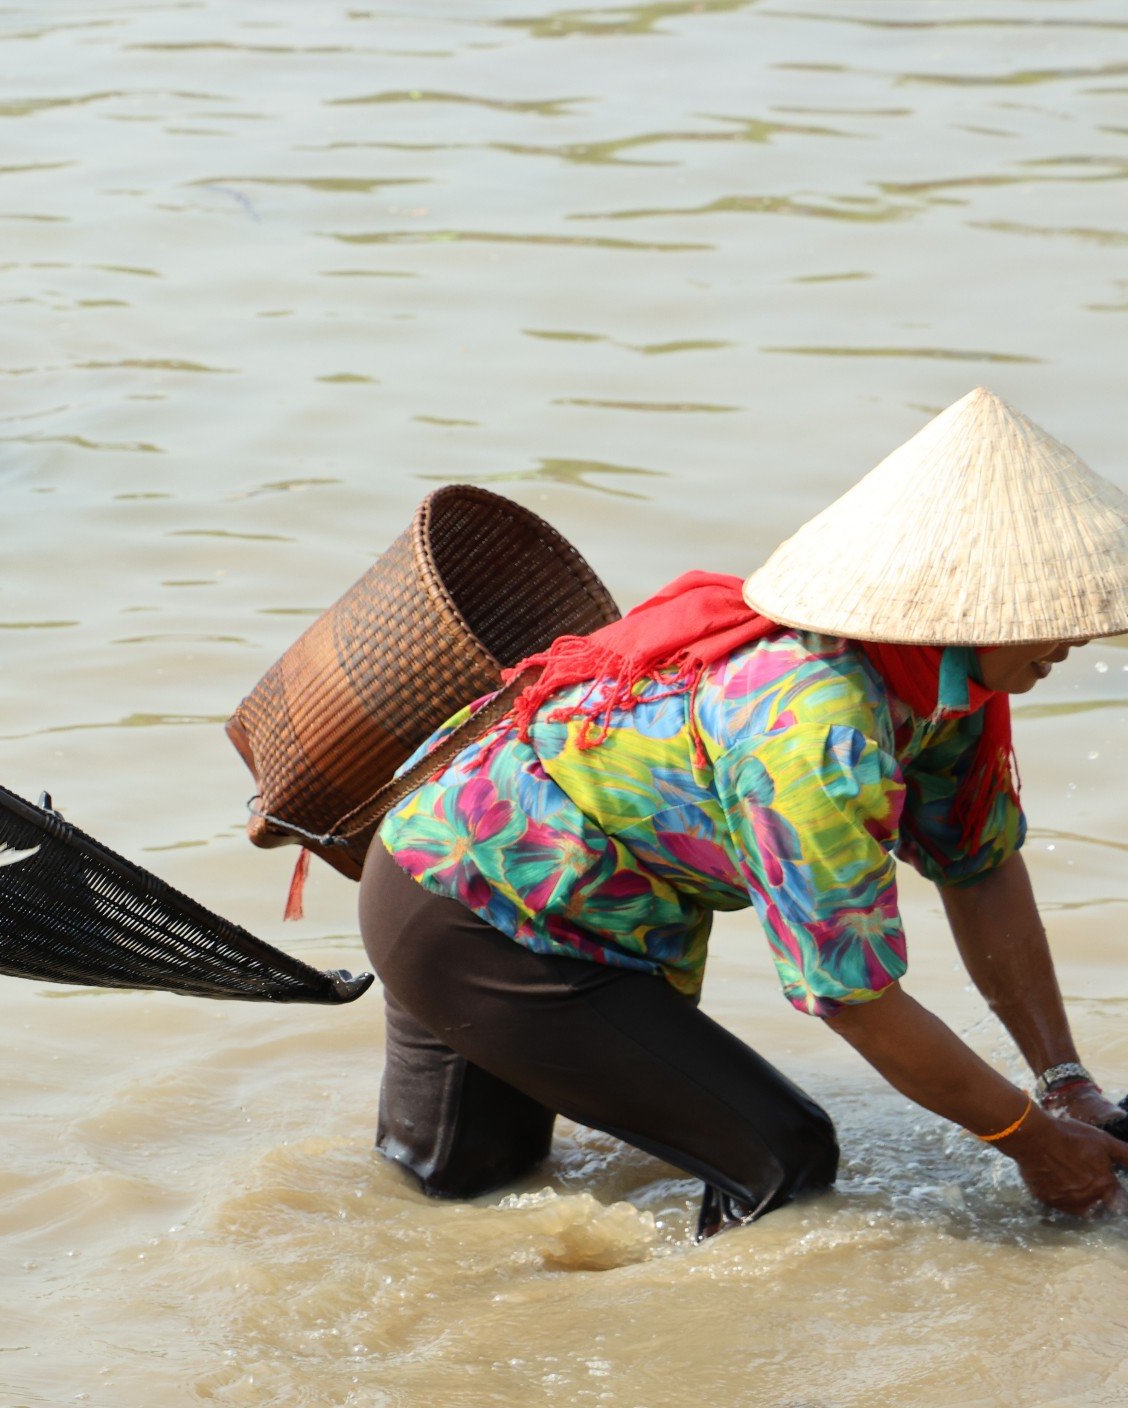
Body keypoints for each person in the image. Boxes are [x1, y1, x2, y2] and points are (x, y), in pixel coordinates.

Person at [360, 388, 1128, 1235]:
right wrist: (1032, 1142)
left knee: (465, 1206)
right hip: (463, 912)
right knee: (783, 1157)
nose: (1072, 638)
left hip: (544, 908)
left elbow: (977, 869)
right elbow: (854, 997)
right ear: (962, 606)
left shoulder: (951, 685)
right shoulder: (815, 732)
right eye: (1049, 614)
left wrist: (1066, 1085)